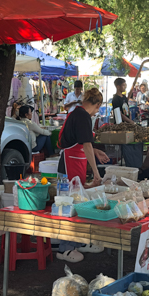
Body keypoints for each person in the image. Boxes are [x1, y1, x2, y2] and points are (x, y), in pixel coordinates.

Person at [56, 88, 109, 262]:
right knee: (67, 206)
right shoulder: (83, 116)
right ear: (98, 105)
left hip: (74, 162)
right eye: (98, 108)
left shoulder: (77, 113)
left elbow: (82, 142)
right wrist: (96, 173)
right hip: (68, 166)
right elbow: (85, 144)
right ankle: (65, 248)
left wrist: (95, 152)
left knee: (77, 204)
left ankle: (78, 243)